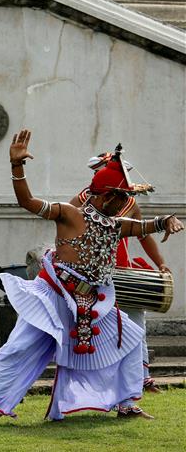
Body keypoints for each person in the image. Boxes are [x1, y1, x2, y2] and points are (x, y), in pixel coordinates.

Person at [0, 129, 183, 425]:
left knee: (129, 340)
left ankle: (128, 404)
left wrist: (165, 222)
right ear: (106, 196)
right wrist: (17, 166)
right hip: (53, 294)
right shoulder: (69, 213)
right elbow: (28, 202)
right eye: (121, 198)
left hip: (92, 301)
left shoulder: (114, 224)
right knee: (19, 348)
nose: (125, 204)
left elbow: (143, 226)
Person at [70, 152, 169, 393]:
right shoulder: (81, 202)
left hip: (124, 273)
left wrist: (160, 263)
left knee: (135, 326)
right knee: (94, 330)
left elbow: (143, 234)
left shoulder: (130, 203)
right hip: (92, 276)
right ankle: (96, 383)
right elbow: (66, 232)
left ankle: (141, 378)